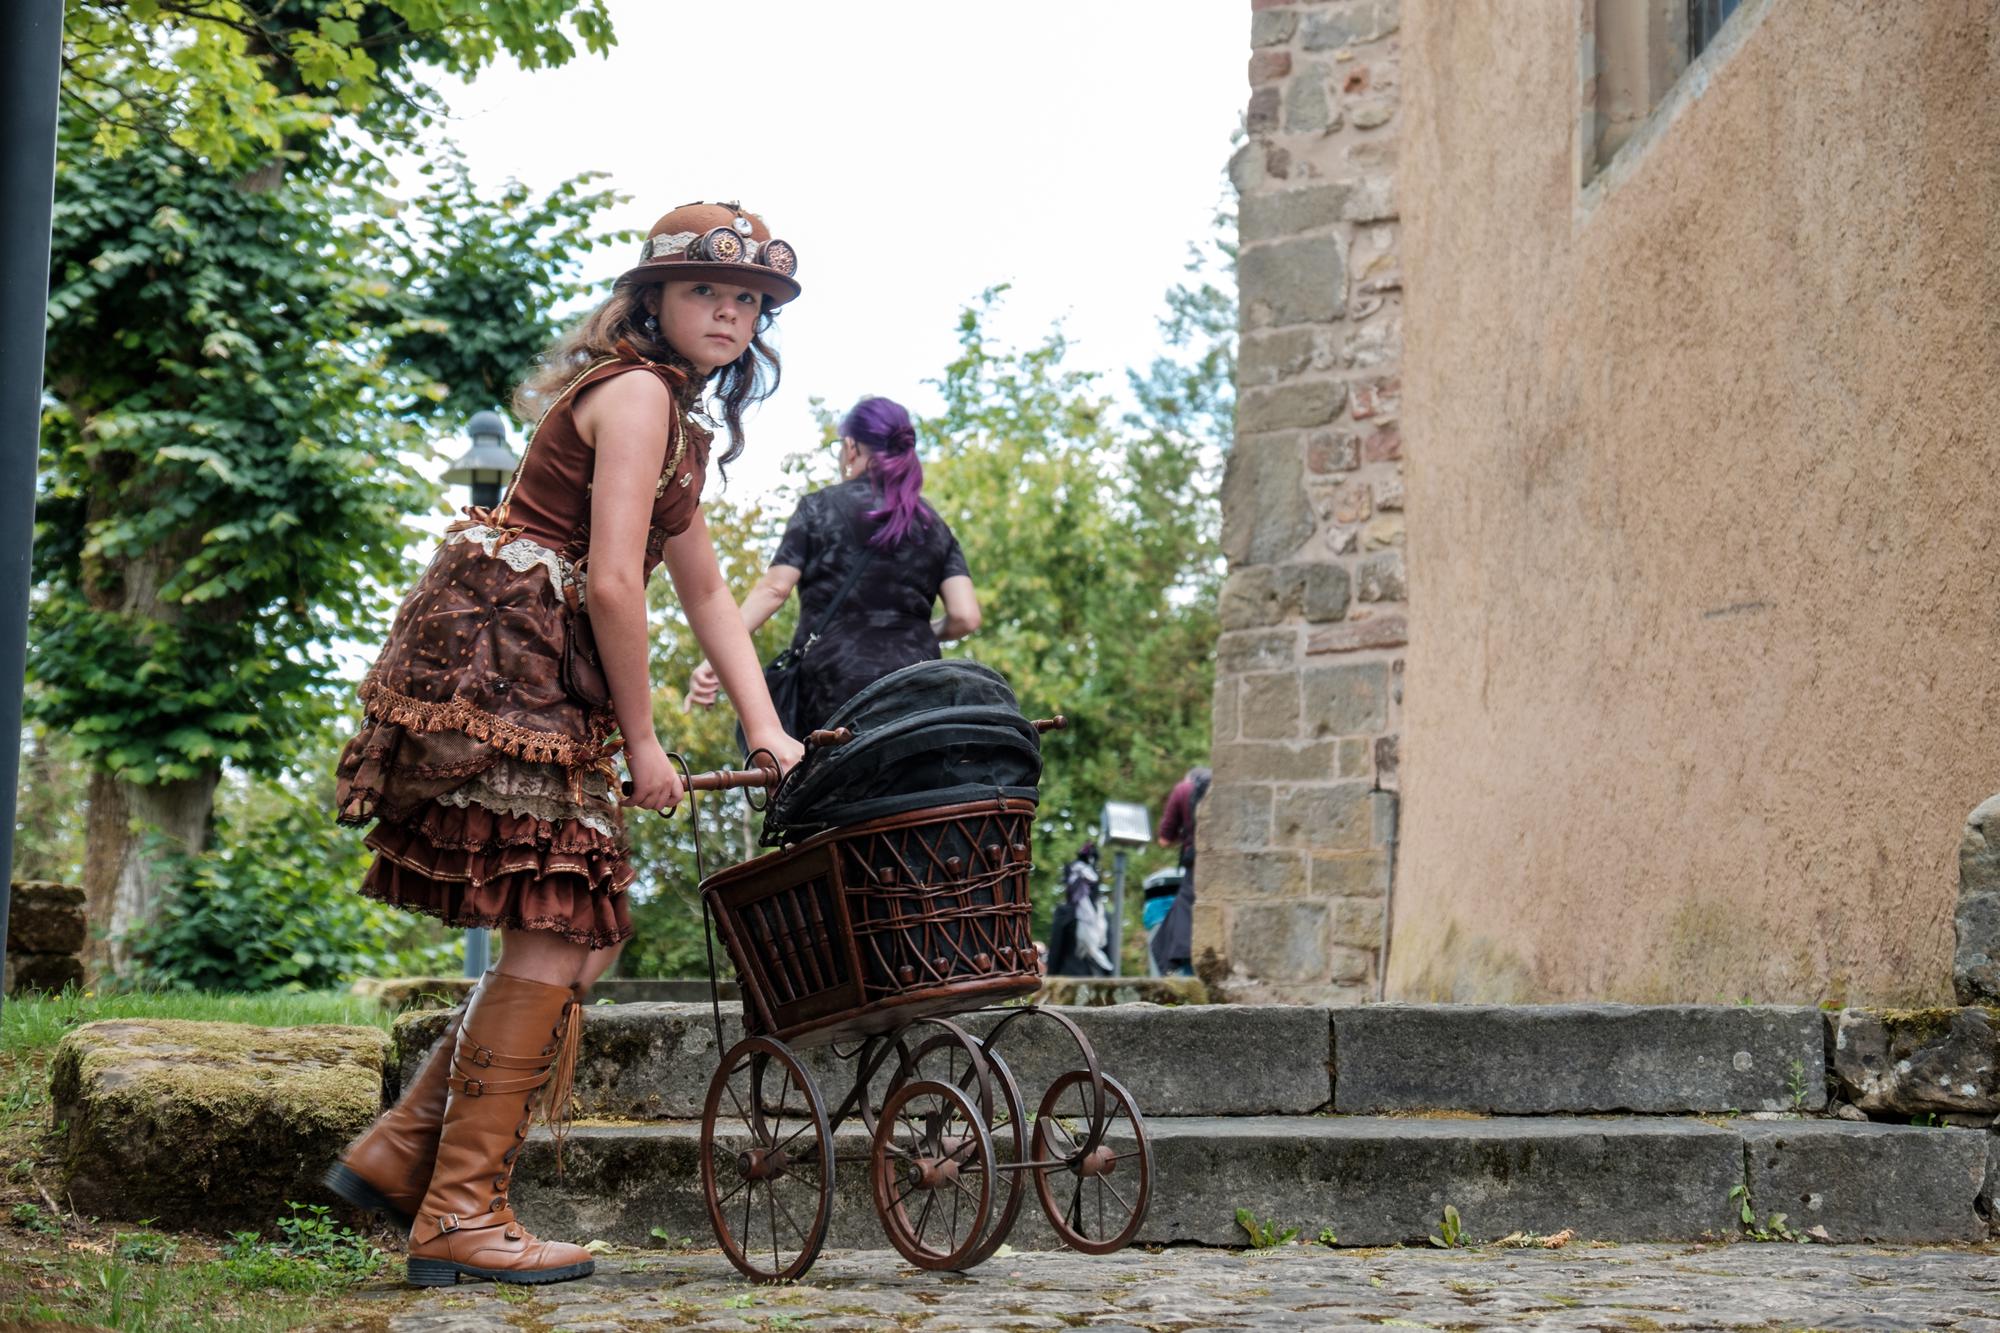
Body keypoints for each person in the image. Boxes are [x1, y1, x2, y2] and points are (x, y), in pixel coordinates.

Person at [325, 201, 807, 1288]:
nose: (729, 311)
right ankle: (457, 1210)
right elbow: (606, 579)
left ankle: (405, 1150)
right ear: (652, 301)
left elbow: (708, 586)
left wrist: (766, 721)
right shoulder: (635, 393)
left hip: (542, 672)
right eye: (704, 291)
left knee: (580, 932)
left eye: (746, 300)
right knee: (559, 920)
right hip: (512, 668)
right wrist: (644, 742)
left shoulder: (674, 418)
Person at [686, 396, 980, 735]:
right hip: (919, 684)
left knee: (819, 782)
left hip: (834, 686)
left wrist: (716, 658)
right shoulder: (932, 523)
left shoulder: (819, 508)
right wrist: (919, 634)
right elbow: (965, 615)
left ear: (851, 447)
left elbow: (774, 589)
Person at [1151, 766, 1210, 976]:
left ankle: (1182, 969)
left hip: (1196, 862)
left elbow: (1164, 839)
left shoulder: (1182, 790)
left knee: (1180, 919)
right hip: (1220, 861)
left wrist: (1185, 834)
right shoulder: (1217, 788)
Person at [1045, 841, 1113, 977]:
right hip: (1098, 980)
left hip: (1069, 980)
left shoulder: (1064, 912)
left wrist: (1050, 981)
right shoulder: (1104, 916)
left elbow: (1055, 953)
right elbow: (1110, 955)